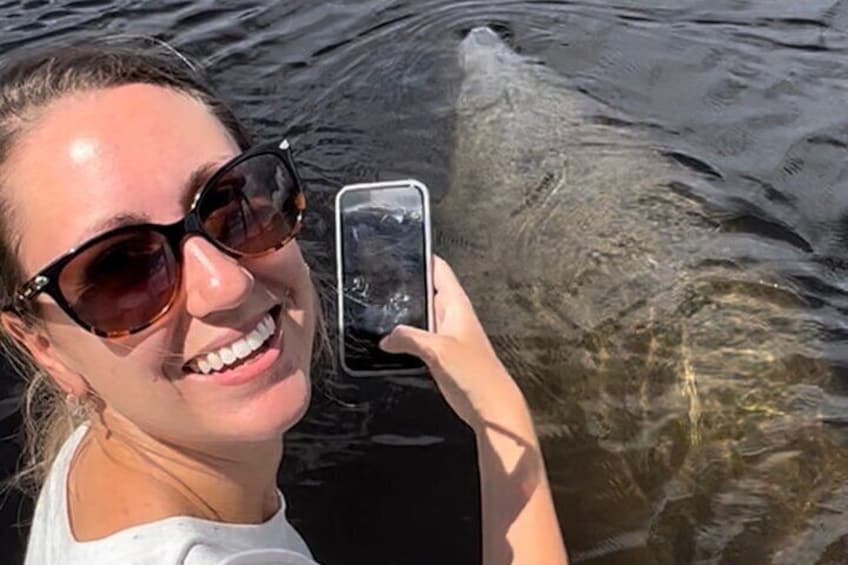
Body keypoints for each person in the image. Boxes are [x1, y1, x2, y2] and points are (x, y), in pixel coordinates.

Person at [0, 35, 567, 565]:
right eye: (120, 271)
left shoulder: (91, 452)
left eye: (232, 202)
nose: (227, 283)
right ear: (43, 346)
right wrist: (500, 416)